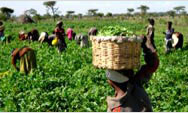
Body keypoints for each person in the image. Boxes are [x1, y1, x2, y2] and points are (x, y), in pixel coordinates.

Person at [106, 34, 159, 112]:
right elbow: (153, 65)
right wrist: (145, 46)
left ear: (110, 82)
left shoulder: (115, 108)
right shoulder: (136, 84)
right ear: (130, 75)